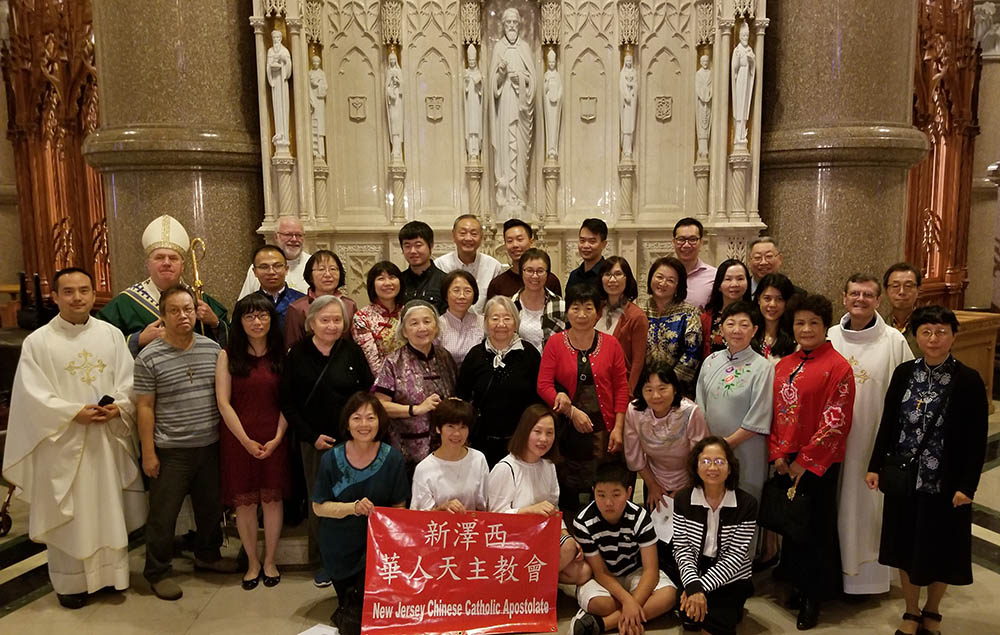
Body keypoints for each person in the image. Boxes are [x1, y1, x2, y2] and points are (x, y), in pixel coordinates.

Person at [2, 268, 145, 609]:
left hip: (106, 440)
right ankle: (70, 584)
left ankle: (112, 576)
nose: (77, 297)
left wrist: (120, 407)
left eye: (84, 290)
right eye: (68, 291)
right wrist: (72, 413)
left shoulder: (111, 336)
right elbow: (30, 397)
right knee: (69, 513)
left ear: (94, 294)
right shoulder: (38, 343)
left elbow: (129, 380)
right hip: (62, 443)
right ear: (55, 296)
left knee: (107, 508)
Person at [866, 306, 988, 635]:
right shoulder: (904, 373)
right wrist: (875, 465)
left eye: (941, 331)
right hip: (905, 479)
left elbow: (977, 440)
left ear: (953, 335)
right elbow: (888, 423)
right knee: (905, 545)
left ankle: (932, 610)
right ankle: (910, 610)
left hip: (946, 484)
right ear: (917, 336)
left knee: (942, 548)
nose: (933, 339)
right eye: (926, 332)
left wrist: (968, 486)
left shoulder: (968, 380)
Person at [135, 286, 239, 601]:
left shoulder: (211, 349)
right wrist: (149, 453)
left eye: (189, 309)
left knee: (210, 507)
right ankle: (157, 571)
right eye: (175, 311)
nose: (184, 316)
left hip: (208, 445)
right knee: (163, 515)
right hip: (171, 449)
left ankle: (207, 555)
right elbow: (145, 407)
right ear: (162, 316)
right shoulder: (149, 356)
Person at [769, 293, 855, 629]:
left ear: (825, 326)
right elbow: (774, 413)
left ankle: (814, 597)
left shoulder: (838, 367)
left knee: (816, 528)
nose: (806, 329)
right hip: (785, 458)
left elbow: (835, 421)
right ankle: (794, 583)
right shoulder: (784, 365)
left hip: (819, 462)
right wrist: (778, 454)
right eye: (800, 323)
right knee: (793, 527)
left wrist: (803, 462)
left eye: (813, 323)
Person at [828, 273, 913, 596]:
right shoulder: (831, 336)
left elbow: (907, 395)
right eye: (854, 294)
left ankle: (868, 581)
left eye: (867, 295)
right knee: (833, 507)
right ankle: (832, 575)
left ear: (878, 301)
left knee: (867, 509)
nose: (860, 299)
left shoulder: (893, 341)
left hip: (872, 443)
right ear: (844, 297)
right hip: (832, 443)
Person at [280, 294, 373, 587]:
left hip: (352, 442)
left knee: (353, 500)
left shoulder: (351, 352)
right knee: (320, 502)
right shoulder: (297, 355)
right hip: (314, 443)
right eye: (325, 320)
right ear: (311, 323)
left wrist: (357, 432)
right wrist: (310, 436)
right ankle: (323, 561)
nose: (331, 326)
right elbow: (287, 402)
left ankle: (356, 559)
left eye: (337, 320)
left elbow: (364, 395)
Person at [312, 392, 409, 635]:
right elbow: (318, 506)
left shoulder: (393, 459)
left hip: (376, 551)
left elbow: (400, 508)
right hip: (339, 546)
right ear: (347, 423)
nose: (364, 425)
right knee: (352, 611)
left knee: (368, 617)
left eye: (370, 418)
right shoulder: (331, 459)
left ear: (380, 422)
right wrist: (352, 508)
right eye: (357, 418)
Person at [216, 295, 290, 590]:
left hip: (276, 436)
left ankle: (270, 560)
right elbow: (223, 402)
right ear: (240, 321)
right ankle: (252, 562)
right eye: (249, 317)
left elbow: (289, 401)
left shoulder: (282, 354)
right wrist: (245, 440)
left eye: (262, 316)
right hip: (238, 438)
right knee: (244, 502)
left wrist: (279, 436)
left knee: (272, 500)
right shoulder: (227, 356)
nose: (257, 322)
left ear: (272, 319)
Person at [538, 284, 628, 512]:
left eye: (588, 308)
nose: (581, 315)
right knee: (567, 489)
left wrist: (618, 427)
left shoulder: (611, 344)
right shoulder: (556, 342)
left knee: (601, 486)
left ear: (598, 313)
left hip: (602, 430)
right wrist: (570, 411)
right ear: (567, 311)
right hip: (566, 431)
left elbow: (621, 388)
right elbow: (543, 384)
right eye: (575, 308)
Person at [486, 404, 591, 585]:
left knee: (582, 571)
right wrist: (529, 511)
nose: (543, 439)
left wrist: (566, 534)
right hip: (512, 544)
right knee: (566, 554)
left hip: (540, 539)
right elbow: (493, 519)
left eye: (549, 433)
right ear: (525, 432)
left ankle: (530, 582)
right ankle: (525, 586)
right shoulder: (506, 468)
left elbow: (554, 508)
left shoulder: (548, 466)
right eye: (538, 431)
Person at [570, 461, 677, 635]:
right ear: (593, 492)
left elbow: (651, 570)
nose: (608, 502)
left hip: (635, 571)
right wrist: (629, 601)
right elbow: (600, 572)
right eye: (601, 495)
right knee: (599, 604)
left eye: (616, 494)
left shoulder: (640, 517)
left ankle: (601, 624)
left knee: (669, 595)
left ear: (628, 493)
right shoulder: (583, 522)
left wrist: (631, 604)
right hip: (604, 577)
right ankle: (630, 613)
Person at [98, 214, 229, 356]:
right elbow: (99, 343)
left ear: (183, 266)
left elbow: (235, 340)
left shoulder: (199, 299)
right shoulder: (126, 303)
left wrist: (215, 323)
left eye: (173, 258)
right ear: (148, 265)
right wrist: (138, 339)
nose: (166, 263)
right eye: (159, 257)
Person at [672, 437, 758, 635]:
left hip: (732, 577)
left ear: (730, 468)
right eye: (705, 461)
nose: (712, 467)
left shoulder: (746, 504)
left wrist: (697, 589)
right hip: (696, 571)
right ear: (696, 466)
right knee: (690, 616)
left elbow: (736, 556)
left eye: (719, 462)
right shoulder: (683, 499)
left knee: (716, 622)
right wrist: (693, 584)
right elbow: (682, 548)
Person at [696, 301, 773, 510]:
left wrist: (727, 443)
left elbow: (759, 413)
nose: (736, 330)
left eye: (744, 325)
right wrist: (711, 445)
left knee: (745, 500)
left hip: (747, 448)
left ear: (755, 330)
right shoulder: (710, 361)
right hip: (712, 449)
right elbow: (700, 405)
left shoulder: (763, 367)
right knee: (714, 500)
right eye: (730, 324)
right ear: (721, 329)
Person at [456, 295, 542, 467]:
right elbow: (461, 396)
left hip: (520, 441)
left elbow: (539, 399)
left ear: (515, 322)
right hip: (481, 443)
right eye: (495, 318)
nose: (501, 324)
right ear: (486, 322)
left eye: (507, 318)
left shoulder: (529, 354)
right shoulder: (475, 355)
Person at [374, 300, 458, 473]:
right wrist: (416, 409)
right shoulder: (393, 362)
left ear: (436, 326)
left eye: (427, 321)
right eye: (414, 323)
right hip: (407, 452)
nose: (422, 328)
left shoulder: (445, 357)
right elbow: (379, 405)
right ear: (404, 330)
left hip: (445, 448)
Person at [410, 398, 488, 512]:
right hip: (439, 528)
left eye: (463, 427)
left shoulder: (478, 459)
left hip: (471, 527)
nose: (457, 433)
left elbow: (485, 507)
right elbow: (420, 517)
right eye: (450, 426)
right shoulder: (424, 468)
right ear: (438, 428)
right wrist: (442, 509)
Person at [645, 256, 703, 392]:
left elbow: (693, 353)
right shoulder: (640, 311)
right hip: (644, 387)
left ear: (679, 285)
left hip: (678, 389)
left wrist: (667, 386)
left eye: (670, 280)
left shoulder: (689, 313)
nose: (663, 283)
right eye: (659, 277)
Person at [285, 249, 357, 350]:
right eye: (321, 269)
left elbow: (354, 344)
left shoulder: (349, 305)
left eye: (333, 269)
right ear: (310, 275)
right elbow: (292, 348)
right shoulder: (297, 308)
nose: (328, 274)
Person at [597, 256, 648, 393]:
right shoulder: (595, 310)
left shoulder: (637, 316)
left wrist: (628, 393)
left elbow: (638, 362)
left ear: (627, 278)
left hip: (619, 388)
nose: (612, 280)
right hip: (594, 386)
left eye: (618, 274)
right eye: (607, 274)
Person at [436, 214, 503, 313]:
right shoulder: (440, 265)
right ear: (453, 236)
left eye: (474, 234)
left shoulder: (493, 266)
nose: (468, 238)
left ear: (481, 237)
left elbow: (497, 304)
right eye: (463, 233)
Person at [352, 261, 406, 374]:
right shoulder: (362, 317)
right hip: (380, 382)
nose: (388, 283)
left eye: (392, 277)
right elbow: (371, 361)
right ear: (372, 285)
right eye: (381, 278)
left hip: (412, 377)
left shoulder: (409, 312)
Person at [486, 218, 562, 298]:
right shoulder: (497, 284)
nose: (515, 245)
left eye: (519, 239)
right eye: (509, 241)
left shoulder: (549, 280)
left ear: (531, 242)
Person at [238, 216, 311, 297]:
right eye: (288, 234)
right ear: (276, 237)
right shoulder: (260, 266)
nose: (294, 239)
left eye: (299, 235)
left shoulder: (313, 264)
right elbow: (244, 304)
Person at [512, 248, 565, 352]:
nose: (535, 276)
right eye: (529, 270)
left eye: (540, 271)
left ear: (548, 273)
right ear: (521, 272)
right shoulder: (512, 304)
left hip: (553, 364)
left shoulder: (560, 305)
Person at [700, 259, 752, 357]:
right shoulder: (707, 318)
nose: (734, 284)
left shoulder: (756, 315)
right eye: (728, 279)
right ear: (719, 285)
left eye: (740, 279)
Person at [248, 245, 305, 333]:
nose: (271, 272)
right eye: (264, 267)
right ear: (255, 272)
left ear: (286, 269)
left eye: (277, 266)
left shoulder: (302, 302)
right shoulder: (246, 305)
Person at [436, 270, 484, 366]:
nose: (462, 296)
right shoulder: (437, 325)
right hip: (447, 378)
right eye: (456, 290)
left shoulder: (482, 322)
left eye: (467, 291)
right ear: (446, 294)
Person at [398, 220, 447, 313]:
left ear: (431, 246)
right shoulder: (398, 281)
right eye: (407, 246)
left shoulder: (445, 281)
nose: (412, 251)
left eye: (418, 245)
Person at [752, 272, 798, 361]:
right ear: (758, 299)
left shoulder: (795, 337)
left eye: (779, 299)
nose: (772, 304)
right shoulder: (749, 333)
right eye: (767, 298)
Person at [672, 218, 716, 309]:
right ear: (673, 242)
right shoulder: (664, 275)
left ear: (701, 243)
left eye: (692, 239)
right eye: (681, 239)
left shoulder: (714, 276)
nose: (686, 245)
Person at [882, 261, 923, 356]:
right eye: (895, 286)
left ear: (918, 290)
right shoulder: (880, 326)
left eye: (908, 286)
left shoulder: (928, 328)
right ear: (886, 291)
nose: (902, 292)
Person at [566, 218, 608, 291]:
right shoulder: (574, 275)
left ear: (603, 244)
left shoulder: (608, 275)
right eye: (582, 240)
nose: (585, 246)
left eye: (592, 241)